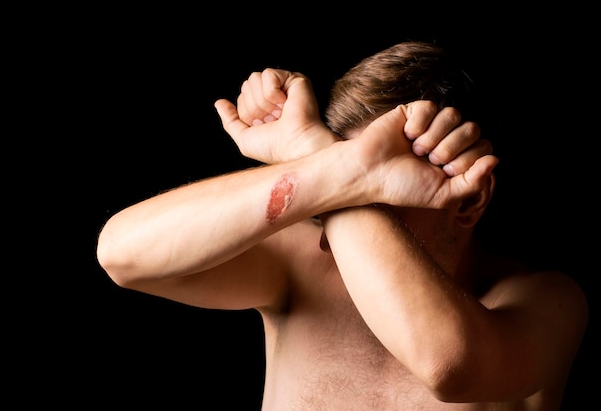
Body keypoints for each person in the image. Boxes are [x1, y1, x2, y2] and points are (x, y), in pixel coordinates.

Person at [96, 41, 588, 410]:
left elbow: (448, 367)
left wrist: (329, 164)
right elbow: (122, 254)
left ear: (469, 202)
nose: (334, 232)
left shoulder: (544, 300)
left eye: (376, 194)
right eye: (338, 189)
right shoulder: (299, 266)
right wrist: (324, 164)